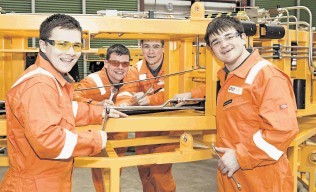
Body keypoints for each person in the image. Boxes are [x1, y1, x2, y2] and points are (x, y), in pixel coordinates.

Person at [0, 14, 126, 192]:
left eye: (76, 45)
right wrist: (96, 139)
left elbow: (67, 110)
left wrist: (100, 112)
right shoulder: (39, 85)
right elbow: (48, 141)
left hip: (49, 181)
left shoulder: (52, 79)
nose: (71, 52)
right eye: (62, 44)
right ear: (43, 45)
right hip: (35, 185)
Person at [176, 16, 299, 191]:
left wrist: (240, 157)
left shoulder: (267, 76)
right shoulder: (228, 79)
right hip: (234, 177)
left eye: (229, 37)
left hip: (263, 181)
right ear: (212, 51)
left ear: (242, 38)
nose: (224, 45)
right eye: (216, 42)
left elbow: (282, 130)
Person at [116, 40, 176, 192]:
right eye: (146, 47)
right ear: (140, 48)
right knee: (145, 170)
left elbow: (171, 94)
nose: (151, 51)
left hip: (169, 127)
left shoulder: (174, 66)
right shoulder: (135, 69)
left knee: (160, 172)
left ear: (163, 48)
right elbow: (126, 90)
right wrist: (124, 103)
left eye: (156, 46)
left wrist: (150, 99)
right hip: (144, 128)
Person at [74, 44, 131, 192]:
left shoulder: (130, 78)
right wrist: (97, 104)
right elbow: (73, 99)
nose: (120, 67)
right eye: (115, 63)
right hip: (99, 135)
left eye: (125, 63)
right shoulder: (92, 82)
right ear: (106, 63)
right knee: (103, 178)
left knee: (114, 174)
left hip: (119, 136)